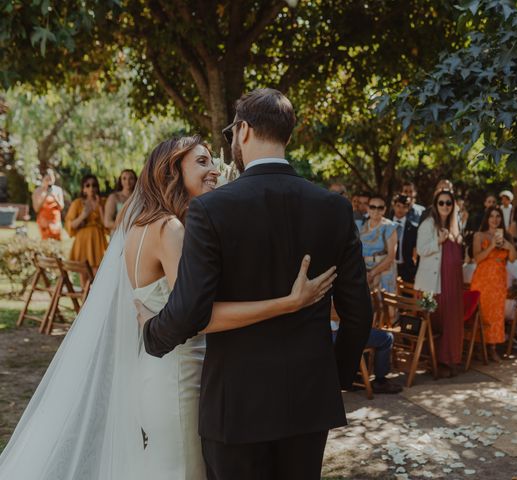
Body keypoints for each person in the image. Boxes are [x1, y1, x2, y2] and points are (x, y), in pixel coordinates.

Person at [0, 135, 336, 479]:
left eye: (211, 162)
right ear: (173, 172)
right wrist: (288, 303)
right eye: (202, 163)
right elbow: (197, 317)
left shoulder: (142, 226)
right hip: (180, 376)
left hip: (157, 371)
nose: (214, 172)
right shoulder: (171, 229)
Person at [142, 89, 372, 480]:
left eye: (232, 132)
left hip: (237, 406)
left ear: (243, 130)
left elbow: (191, 309)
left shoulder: (211, 209)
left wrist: (152, 335)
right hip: (308, 401)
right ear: (287, 134)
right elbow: (359, 312)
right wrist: (333, 377)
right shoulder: (333, 208)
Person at [414, 189, 464, 375]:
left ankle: (449, 359)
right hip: (433, 282)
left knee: (451, 321)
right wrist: (438, 240)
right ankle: (435, 362)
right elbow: (420, 249)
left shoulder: (455, 226)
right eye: (441, 203)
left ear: (453, 206)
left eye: (448, 203)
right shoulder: (428, 224)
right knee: (436, 321)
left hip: (452, 281)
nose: (445, 206)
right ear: (435, 205)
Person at [471, 206, 517, 362]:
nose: (495, 219)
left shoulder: (507, 237)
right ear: (487, 218)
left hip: (498, 281)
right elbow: (477, 258)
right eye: (492, 216)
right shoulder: (479, 235)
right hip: (482, 280)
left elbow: (512, 259)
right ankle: (478, 348)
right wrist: (491, 246)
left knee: (496, 315)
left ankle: (492, 349)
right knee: (482, 313)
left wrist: (509, 246)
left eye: (498, 216)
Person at [64, 173, 109, 273]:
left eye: (94, 185)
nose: (91, 188)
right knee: (84, 272)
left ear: (97, 188)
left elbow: (107, 225)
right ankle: (85, 289)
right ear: (83, 189)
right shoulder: (77, 203)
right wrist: (83, 216)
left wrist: (100, 207)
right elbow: (70, 225)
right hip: (82, 240)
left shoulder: (104, 202)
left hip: (98, 239)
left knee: (98, 273)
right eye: (87, 185)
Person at [358, 193, 399, 293]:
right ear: (368, 208)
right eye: (372, 207)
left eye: (380, 207)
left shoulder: (389, 227)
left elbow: (391, 256)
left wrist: (372, 274)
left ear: (384, 210)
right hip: (365, 272)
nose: (376, 210)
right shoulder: (362, 227)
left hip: (384, 271)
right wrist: (365, 274)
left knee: (384, 305)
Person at [391, 194, 418, 283]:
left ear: (408, 209)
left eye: (404, 207)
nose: (400, 209)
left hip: (406, 269)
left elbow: (415, 252)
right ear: (393, 206)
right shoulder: (385, 224)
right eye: (398, 206)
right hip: (388, 266)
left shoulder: (413, 228)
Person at [31, 168, 64, 240]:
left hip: (55, 221)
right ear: (43, 179)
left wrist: (55, 197)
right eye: (47, 179)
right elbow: (36, 209)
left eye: (51, 179)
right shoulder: (37, 191)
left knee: (57, 241)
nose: (49, 182)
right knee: (45, 241)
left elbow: (61, 207)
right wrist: (45, 196)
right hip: (44, 221)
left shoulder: (58, 190)